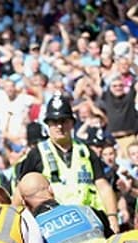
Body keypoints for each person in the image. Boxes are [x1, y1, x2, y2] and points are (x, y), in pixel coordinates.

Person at [15, 93, 119, 233]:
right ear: (48, 125)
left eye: (63, 121)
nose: (59, 126)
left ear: (72, 123)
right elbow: (21, 190)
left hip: (91, 221)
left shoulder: (86, 151)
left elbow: (103, 186)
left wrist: (112, 217)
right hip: (56, 226)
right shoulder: (37, 153)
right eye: (53, 122)